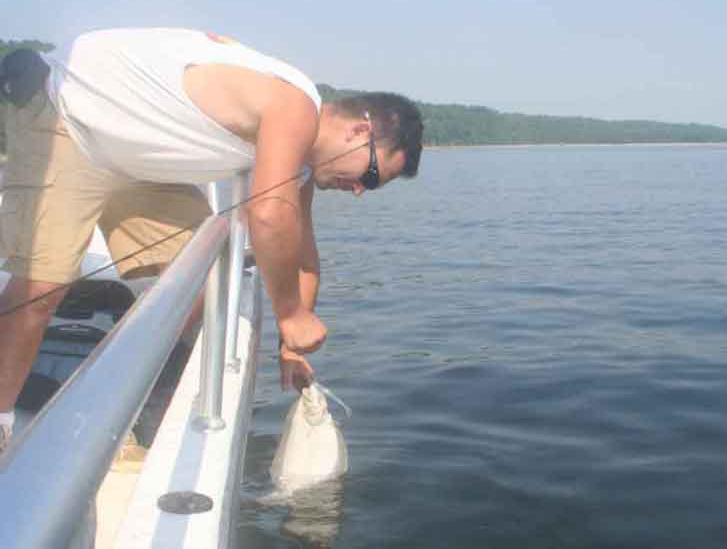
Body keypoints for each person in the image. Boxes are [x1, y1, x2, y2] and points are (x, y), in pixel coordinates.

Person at [0, 28, 424, 451]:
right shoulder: (294, 105)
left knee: (206, 279)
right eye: (370, 174)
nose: (360, 191)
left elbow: (301, 255)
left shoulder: (301, 157)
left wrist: (292, 345)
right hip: (70, 118)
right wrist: (292, 315)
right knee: (40, 290)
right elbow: (269, 215)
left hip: (136, 157)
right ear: (359, 130)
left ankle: (123, 391)